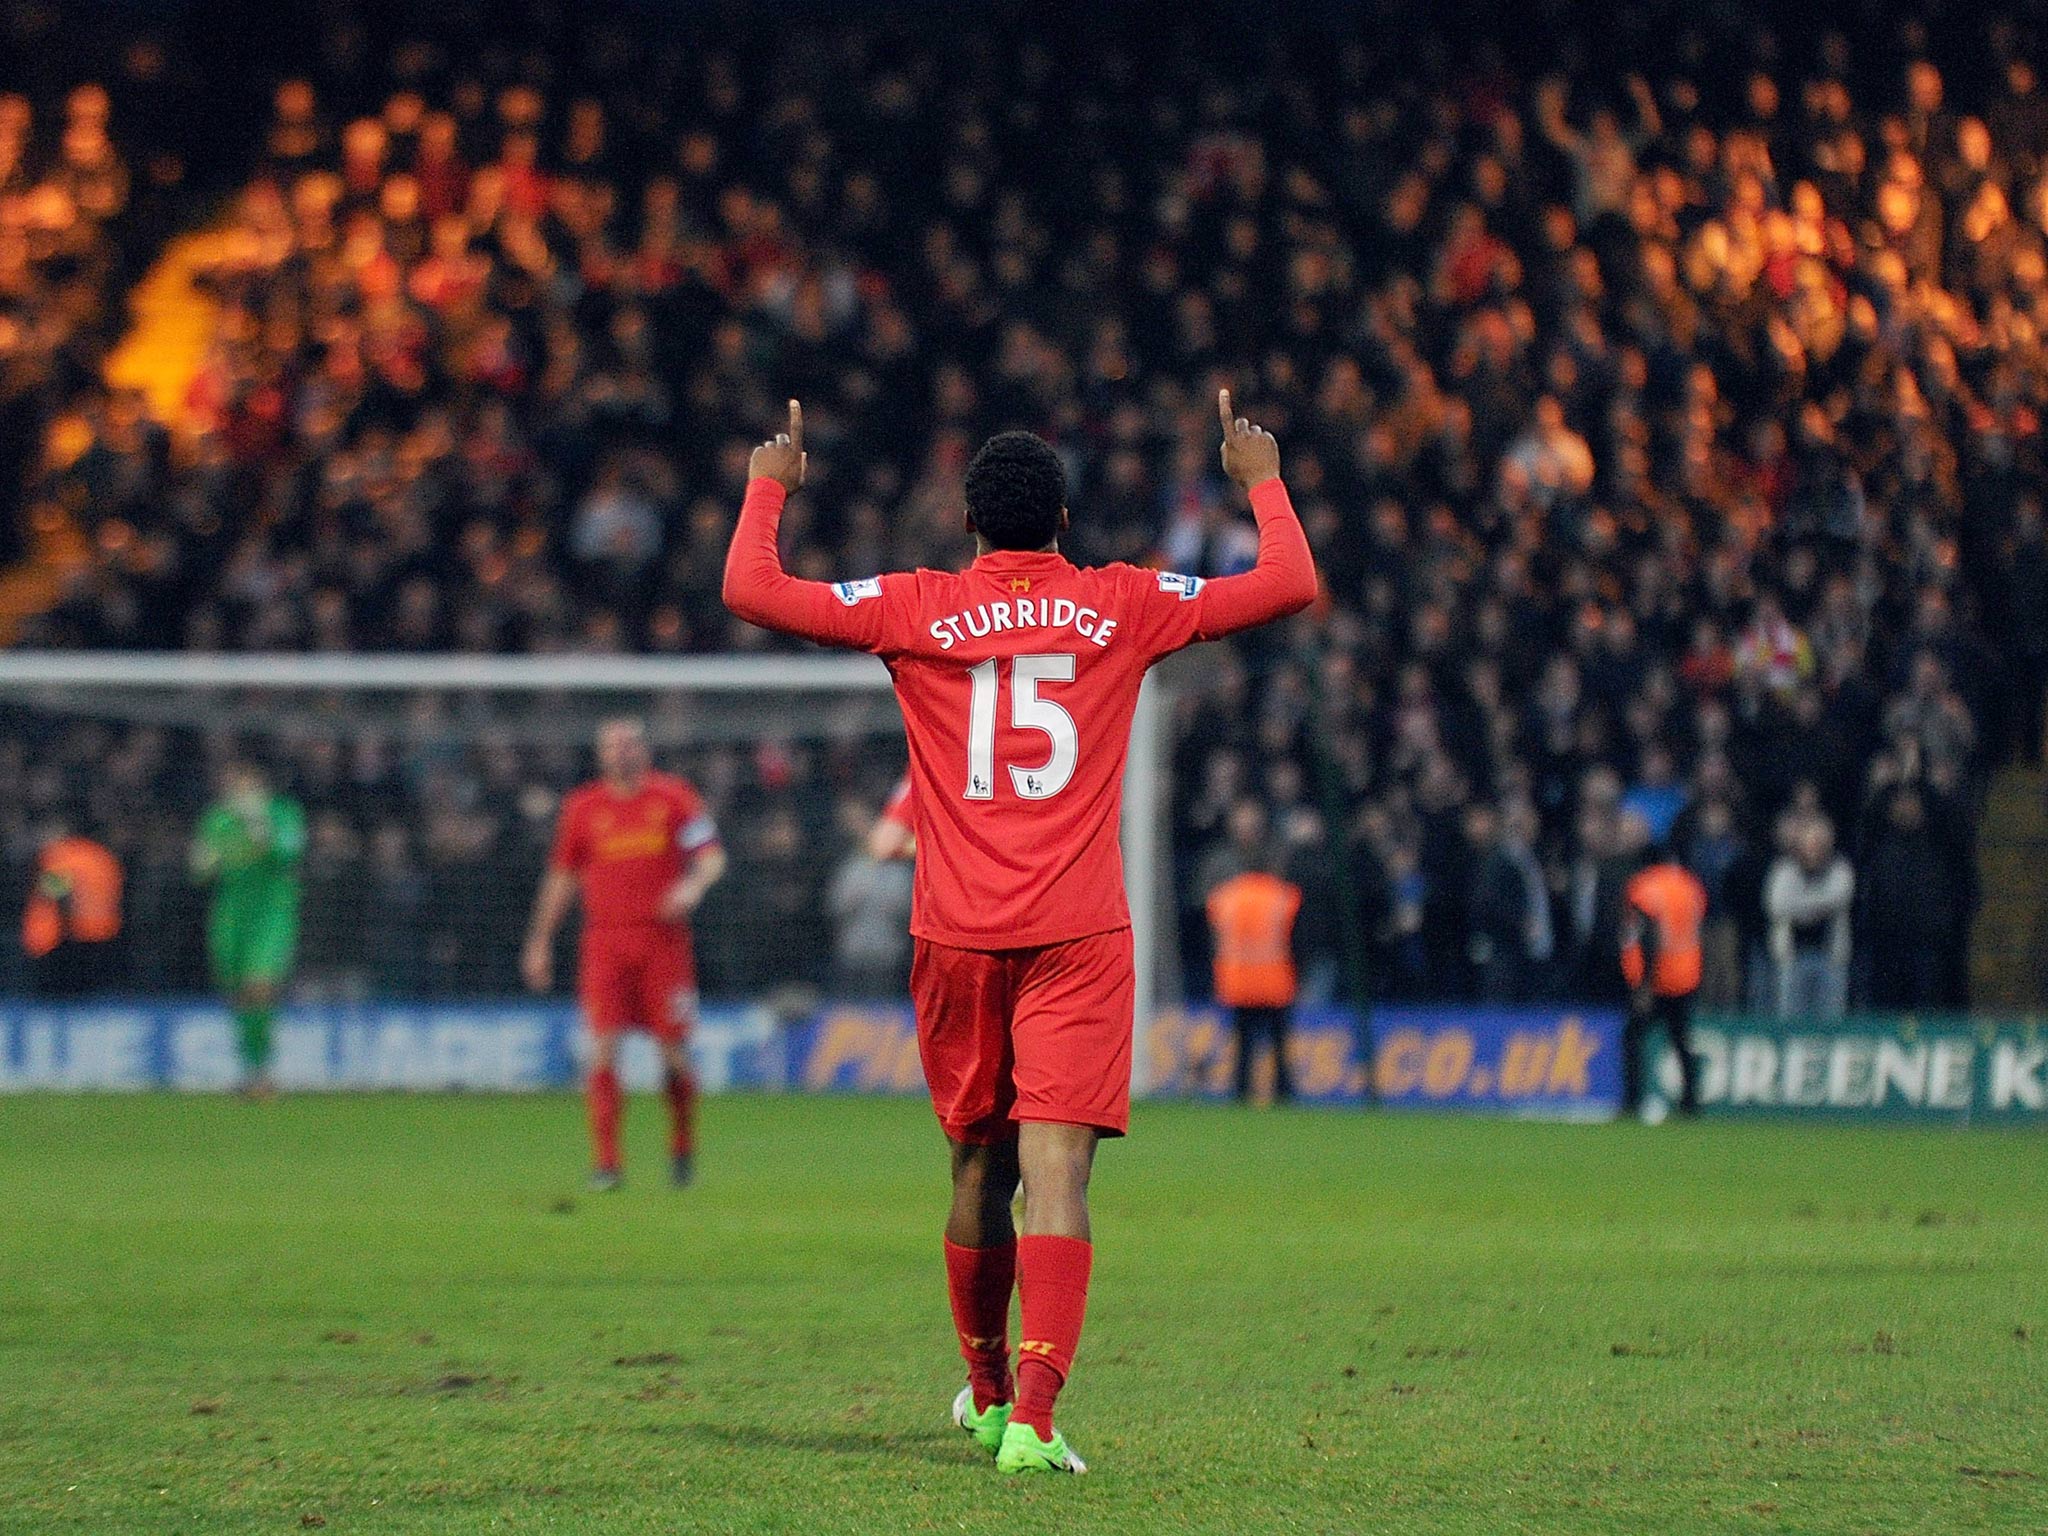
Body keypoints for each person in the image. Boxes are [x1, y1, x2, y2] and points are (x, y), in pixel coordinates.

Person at [723, 393, 1314, 1474]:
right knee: (1058, 1178)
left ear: (966, 522)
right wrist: (1258, 478)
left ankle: (990, 1393)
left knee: (972, 1170)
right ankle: (1034, 1421)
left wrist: (772, 484)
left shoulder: (915, 605)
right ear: (1066, 520)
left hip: (954, 930)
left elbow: (748, 589)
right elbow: (1287, 583)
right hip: (1077, 932)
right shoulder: (1121, 602)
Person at [522, 718, 728, 1190]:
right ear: (600, 754)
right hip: (605, 944)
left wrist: (692, 886)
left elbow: (713, 856)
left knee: (673, 1055)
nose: (621, 751)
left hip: (664, 945)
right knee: (603, 1049)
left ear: (644, 749)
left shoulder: (674, 797)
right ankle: (607, 1162)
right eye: (612, 745)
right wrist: (539, 941)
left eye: (629, 742)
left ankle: (681, 1146)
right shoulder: (583, 807)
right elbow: (562, 878)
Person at [191, 762, 306, 1098]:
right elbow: (199, 872)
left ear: (261, 788)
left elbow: (287, 855)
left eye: (245, 787)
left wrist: (257, 823)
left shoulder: (284, 813)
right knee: (238, 995)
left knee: (260, 986)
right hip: (229, 917)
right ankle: (251, 1069)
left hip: (271, 914)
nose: (238, 794)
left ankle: (262, 1069)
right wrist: (204, 860)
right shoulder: (217, 819)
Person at [1205, 857, 1303, 1103]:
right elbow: (1297, 937)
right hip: (1275, 982)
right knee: (1279, 1044)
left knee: (1243, 1045)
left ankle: (1241, 1092)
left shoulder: (1224, 896)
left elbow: (1213, 937)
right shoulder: (1284, 896)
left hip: (1237, 982)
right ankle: (1283, 1093)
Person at [1619, 846, 1707, 1118]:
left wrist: (1644, 984)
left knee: (1633, 1037)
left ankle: (1633, 1101)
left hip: (1657, 979)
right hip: (1687, 975)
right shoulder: (1690, 885)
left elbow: (1648, 937)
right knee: (1681, 1040)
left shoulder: (1644, 887)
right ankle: (1691, 1101)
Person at [1764, 816, 1855, 1020]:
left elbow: (1839, 897)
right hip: (1792, 957)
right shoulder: (1783, 871)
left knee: (1830, 1020)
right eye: (1809, 841)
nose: (1813, 847)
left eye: (1818, 841)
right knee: (1790, 1019)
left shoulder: (1840, 869)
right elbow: (1777, 906)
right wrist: (1818, 906)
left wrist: (1800, 906)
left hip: (1831, 957)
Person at [21, 825, 123, 997]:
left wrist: (66, 929)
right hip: (105, 932)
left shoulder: (60, 856)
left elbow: (55, 895)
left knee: (58, 999)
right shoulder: (103, 856)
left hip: (58, 939)